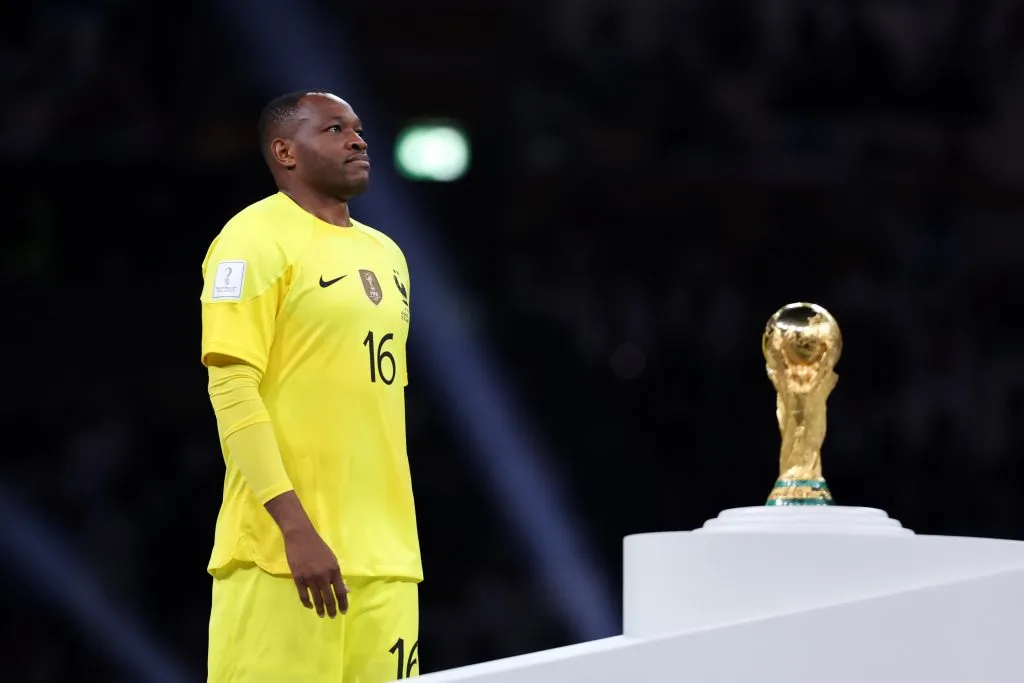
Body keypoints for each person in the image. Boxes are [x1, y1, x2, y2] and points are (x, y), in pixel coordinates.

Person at [200, 91, 422, 683]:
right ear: (284, 151)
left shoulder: (390, 255)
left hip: (388, 560)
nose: (358, 140)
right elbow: (232, 390)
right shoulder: (251, 239)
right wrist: (294, 528)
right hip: (282, 558)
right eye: (334, 129)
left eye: (358, 128)